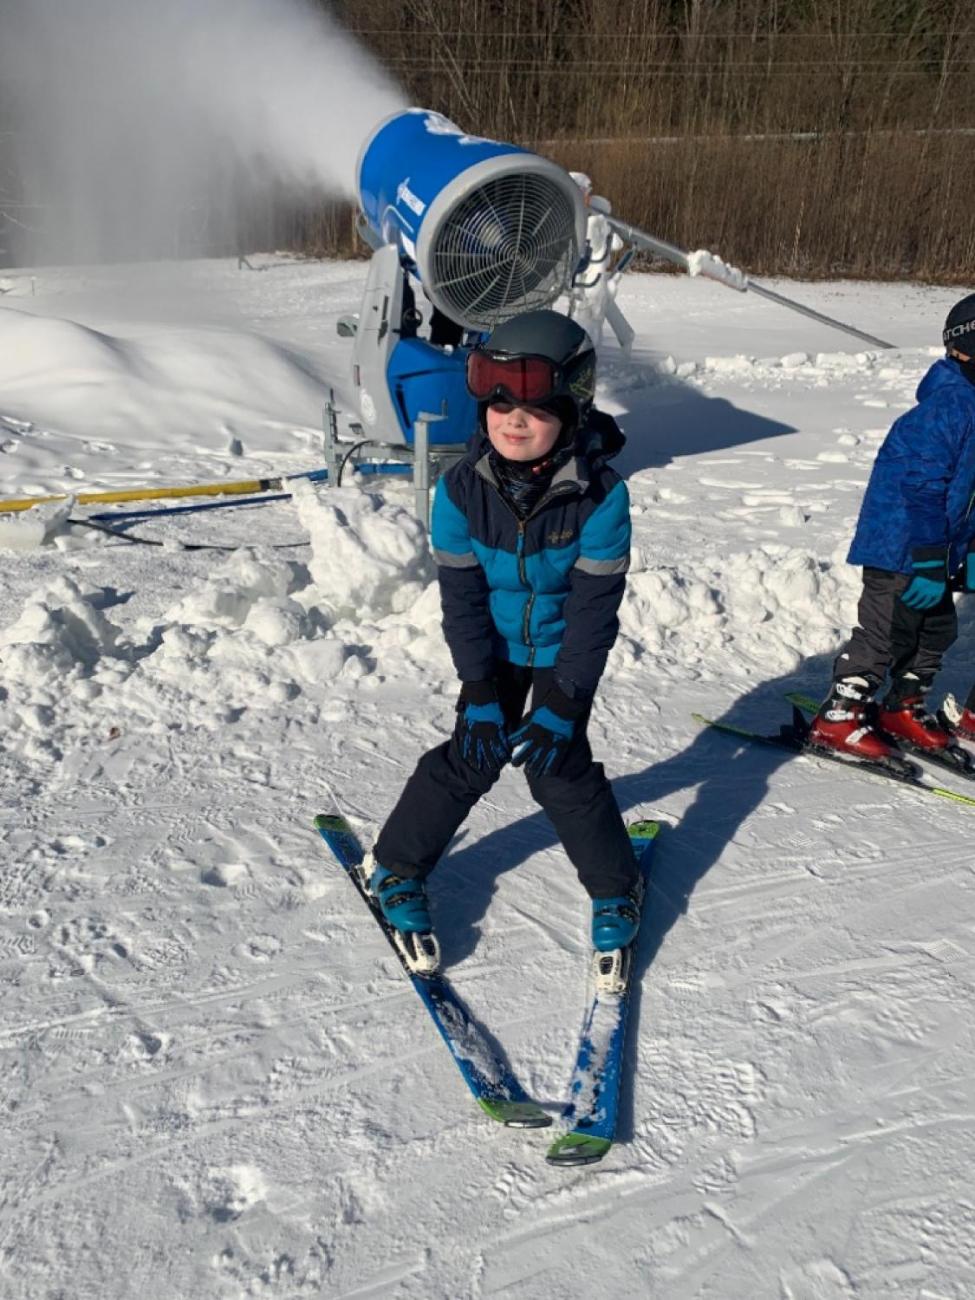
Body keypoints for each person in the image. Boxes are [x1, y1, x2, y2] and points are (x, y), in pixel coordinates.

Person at [364, 308, 639, 972]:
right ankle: (396, 866)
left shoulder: (600, 498)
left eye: (534, 404)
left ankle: (614, 888)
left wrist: (563, 704)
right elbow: (460, 600)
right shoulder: (461, 491)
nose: (513, 418)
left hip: (559, 653)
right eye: (496, 398)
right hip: (492, 650)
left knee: (558, 764)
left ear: (571, 407)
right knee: (472, 751)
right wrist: (480, 690)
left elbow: (591, 614)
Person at [809, 291, 975, 763]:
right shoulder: (949, 406)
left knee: (936, 631)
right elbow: (922, 487)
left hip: (938, 550)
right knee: (883, 634)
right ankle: (838, 716)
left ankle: (903, 707)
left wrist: (971, 549)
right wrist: (926, 555)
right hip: (902, 545)